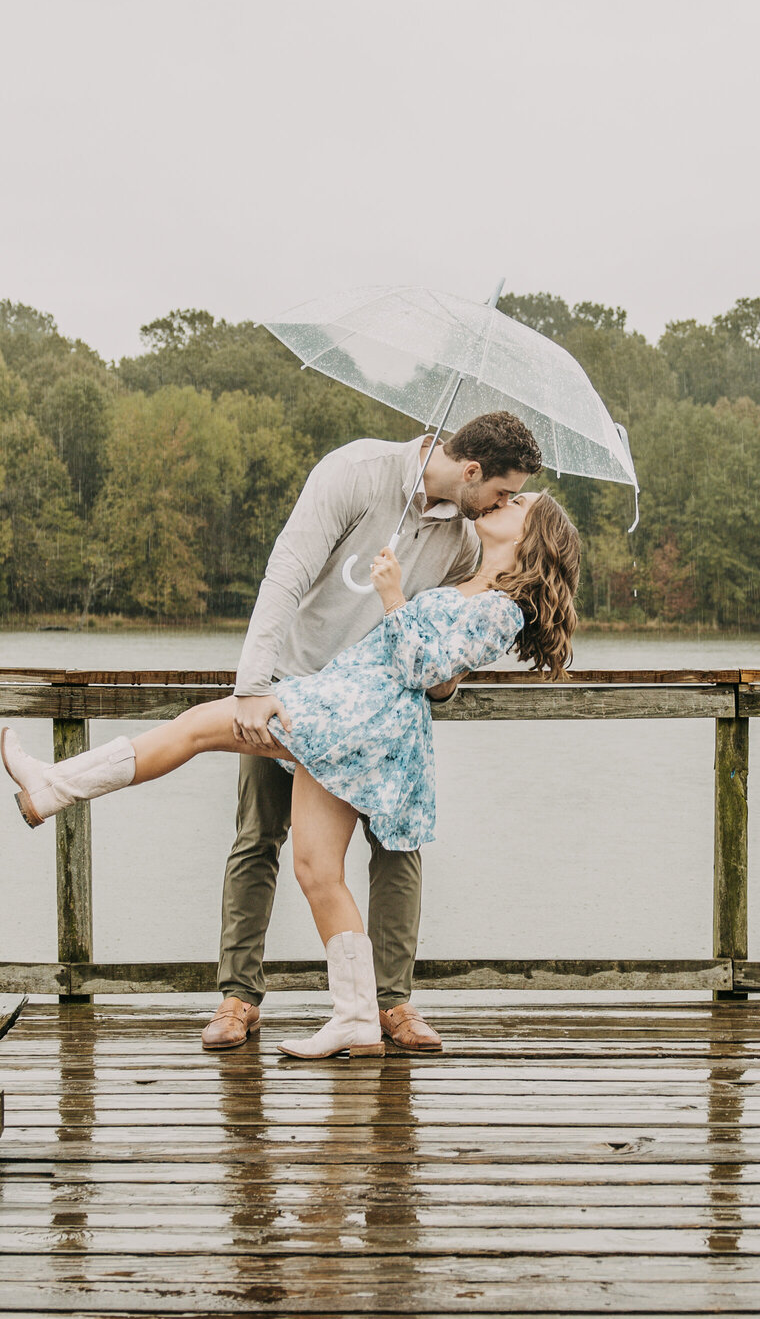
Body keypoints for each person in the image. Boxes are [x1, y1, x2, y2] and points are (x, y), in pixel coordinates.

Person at [0, 490, 581, 1060]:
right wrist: (401, 603)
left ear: (534, 538)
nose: (505, 502)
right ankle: (356, 1020)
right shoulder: (469, 586)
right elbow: (433, 667)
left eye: (519, 505)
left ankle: (52, 787)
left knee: (198, 728)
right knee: (317, 870)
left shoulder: (503, 609)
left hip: (353, 719)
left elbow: (422, 668)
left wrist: (393, 595)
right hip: (346, 708)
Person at [212, 411, 543, 1055]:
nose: (504, 503)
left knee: (397, 845)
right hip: (297, 685)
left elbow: (443, 654)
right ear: (471, 471)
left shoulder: (468, 543)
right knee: (258, 836)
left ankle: (391, 1003)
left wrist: (448, 679)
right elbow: (285, 575)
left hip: (381, 714)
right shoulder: (357, 474)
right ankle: (239, 997)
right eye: (503, 491)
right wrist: (253, 684)